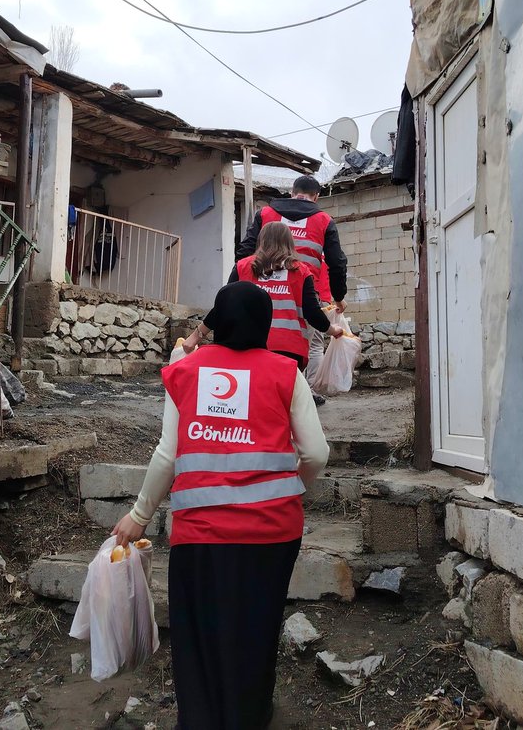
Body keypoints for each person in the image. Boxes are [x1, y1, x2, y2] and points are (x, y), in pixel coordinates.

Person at [113, 282, 329, 730]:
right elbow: (316, 454)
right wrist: (292, 485)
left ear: (218, 322)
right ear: (266, 325)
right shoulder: (286, 372)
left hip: (199, 534)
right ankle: (249, 715)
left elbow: (167, 455)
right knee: (257, 625)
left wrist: (139, 516)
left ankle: (201, 718)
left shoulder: (188, 371)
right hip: (272, 532)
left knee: (198, 630)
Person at [237, 174, 348, 383]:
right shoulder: (324, 220)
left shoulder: (266, 213)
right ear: (315, 197)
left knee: (257, 340)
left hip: (259, 290)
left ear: (291, 193)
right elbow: (336, 262)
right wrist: (339, 295)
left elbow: (245, 251)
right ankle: (304, 391)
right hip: (303, 293)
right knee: (310, 343)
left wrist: (247, 278)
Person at [183, 222, 342, 366]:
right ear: (289, 243)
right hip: (289, 351)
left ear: (261, 241)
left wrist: (195, 337)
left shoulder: (243, 267)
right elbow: (312, 312)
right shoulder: (300, 271)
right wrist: (332, 330)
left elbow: (223, 307)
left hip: (245, 348)